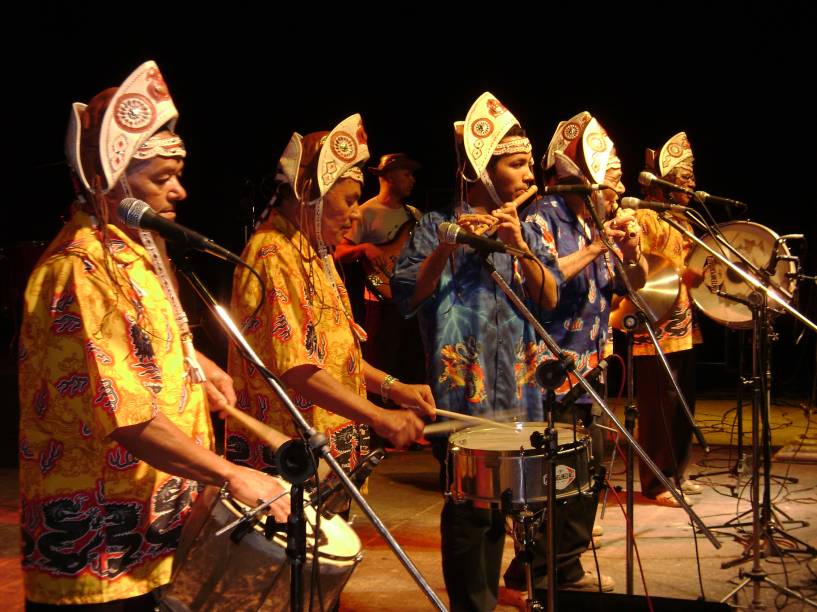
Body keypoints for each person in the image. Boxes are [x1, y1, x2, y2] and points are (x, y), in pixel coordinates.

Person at [18, 61, 288, 610]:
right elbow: (129, 415)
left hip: (156, 533)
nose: (181, 191)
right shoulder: (78, 269)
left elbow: (144, 350)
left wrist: (195, 364)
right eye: (161, 178)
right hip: (101, 556)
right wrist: (231, 474)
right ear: (108, 179)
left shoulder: (138, 253)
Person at [392, 91, 560, 612]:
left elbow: (549, 299)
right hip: (462, 397)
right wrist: (449, 243)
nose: (528, 172)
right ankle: (472, 604)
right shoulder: (434, 225)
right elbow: (407, 294)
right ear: (482, 171)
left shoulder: (528, 227)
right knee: (470, 510)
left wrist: (522, 246)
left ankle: (502, 589)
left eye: (529, 162)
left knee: (513, 507)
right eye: (515, 164)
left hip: (521, 388)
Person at [225, 115, 434, 480]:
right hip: (292, 459)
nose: (356, 215)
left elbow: (337, 359)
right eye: (350, 201)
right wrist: (379, 416)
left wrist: (394, 388)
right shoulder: (272, 252)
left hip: (329, 454)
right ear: (311, 194)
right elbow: (299, 369)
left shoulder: (314, 252)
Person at [512, 111, 647, 593]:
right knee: (558, 480)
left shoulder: (595, 224)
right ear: (582, 181)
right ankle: (546, 574)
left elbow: (628, 287)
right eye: (609, 180)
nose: (617, 189)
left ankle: (550, 566)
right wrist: (598, 246)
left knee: (583, 475)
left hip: (591, 368)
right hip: (549, 372)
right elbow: (544, 281)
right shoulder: (541, 218)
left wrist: (630, 253)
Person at [634, 132, 703, 506]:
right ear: (663, 184)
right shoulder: (644, 217)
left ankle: (677, 472)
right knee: (658, 409)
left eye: (691, 179)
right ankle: (656, 481)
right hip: (654, 326)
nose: (691, 186)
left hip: (683, 324)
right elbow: (640, 271)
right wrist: (679, 275)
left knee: (681, 404)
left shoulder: (684, 220)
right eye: (683, 180)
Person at [334, 153, 425, 386]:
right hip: (379, 306)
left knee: (412, 366)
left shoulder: (414, 214)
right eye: (407, 174)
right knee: (384, 364)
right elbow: (339, 253)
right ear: (389, 177)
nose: (413, 179)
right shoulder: (365, 212)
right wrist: (365, 248)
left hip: (412, 303)